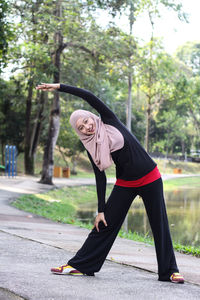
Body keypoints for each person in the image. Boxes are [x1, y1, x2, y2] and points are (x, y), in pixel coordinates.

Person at [36, 83, 184, 283]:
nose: (87, 127)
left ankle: (170, 271)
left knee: (160, 224)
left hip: (150, 177)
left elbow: (88, 94)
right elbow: (100, 177)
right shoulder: (90, 146)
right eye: (81, 127)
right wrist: (100, 210)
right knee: (104, 223)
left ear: (91, 116)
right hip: (126, 182)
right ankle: (80, 265)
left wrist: (59, 87)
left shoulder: (109, 120)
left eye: (86, 121)